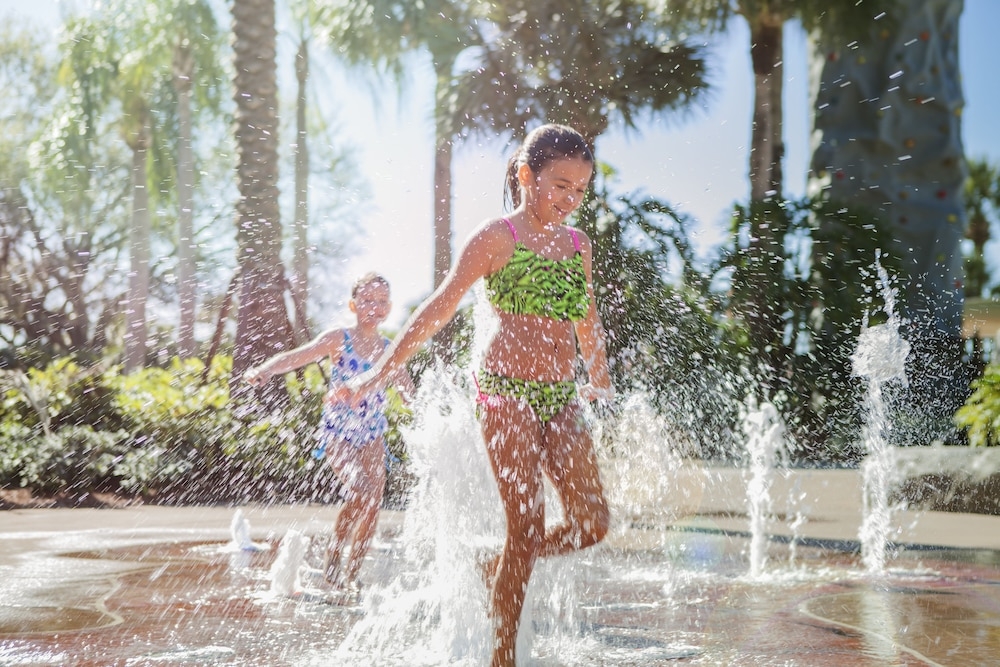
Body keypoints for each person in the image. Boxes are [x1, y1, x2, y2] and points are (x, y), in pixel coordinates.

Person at [333, 124, 613, 666]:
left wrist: (598, 375)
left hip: (560, 395)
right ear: (526, 175)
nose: (569, 200)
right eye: (559, 185)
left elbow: (587, 317)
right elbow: (438, 309)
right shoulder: (497, 238)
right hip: (503, 392)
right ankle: (501, 656)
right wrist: (375, 376)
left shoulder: (579, 246)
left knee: (591, 522)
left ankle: (497, 568)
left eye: (580, 190)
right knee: (526, 524)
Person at [244, 272, 413, 596]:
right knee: (362, 492)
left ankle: (352, 575)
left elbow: (407, 390)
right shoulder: (340, 339)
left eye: (380, 302)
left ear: (389, 309)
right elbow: (299, 355)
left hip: (372, 433)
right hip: (338, 433)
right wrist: (266, 369)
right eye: (366, 300)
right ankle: (334, 554)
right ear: (353, 304)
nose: (373, 307)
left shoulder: (390, 350)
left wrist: (427, 412)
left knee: (372, 503)